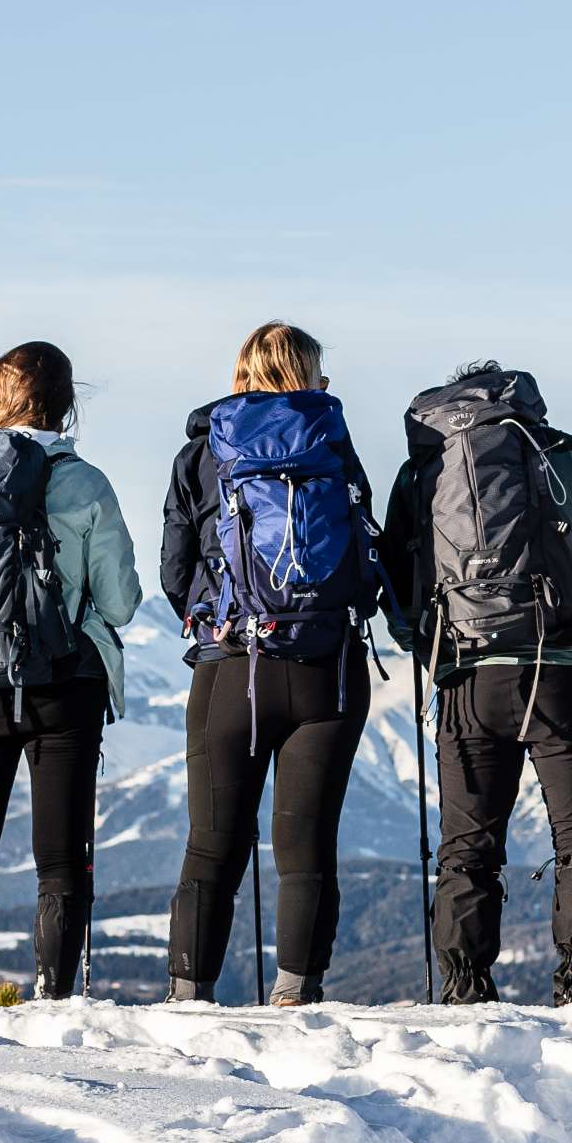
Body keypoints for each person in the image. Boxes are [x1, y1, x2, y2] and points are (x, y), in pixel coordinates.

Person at [380, 360, 572, 1005]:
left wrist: (425, 646)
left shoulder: (424, 469)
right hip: (566, 676)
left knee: (468, 843)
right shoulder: (570, 455)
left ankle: (464, 987)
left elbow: (395, 573)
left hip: (468, 676)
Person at [0, 343, 144, 1009]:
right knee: (61, 860)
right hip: (62, 681)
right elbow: (121, 601)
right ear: (66, 404)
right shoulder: (82, 481)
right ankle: (52, 999)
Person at [157, 321, 382, 1006]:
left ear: (241, 373)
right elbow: (367, 550)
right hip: (329, 667)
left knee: (214, 842)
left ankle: (190, 992)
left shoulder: (203, 452)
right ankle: (295, 991)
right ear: (312, 375)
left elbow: (174, 567)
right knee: (306, 841)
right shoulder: (332, 443)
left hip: (232, 665)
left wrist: (207, 617)